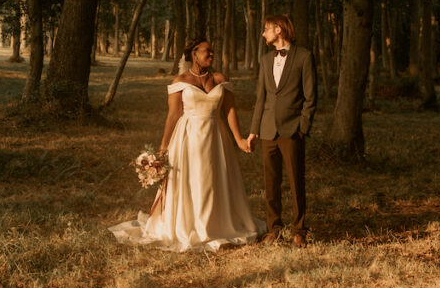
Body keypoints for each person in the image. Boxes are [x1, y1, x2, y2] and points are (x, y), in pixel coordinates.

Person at [109, 38, 265, 252]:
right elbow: (173, 116)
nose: (212, 55)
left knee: (213, 179)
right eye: (207, 52)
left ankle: (214, 224)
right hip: (188, 137)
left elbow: (229, 111)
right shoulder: (179, 81)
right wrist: (162, 150)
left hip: (215, 136)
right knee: (192, 179)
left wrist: (239, 139)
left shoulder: (220, 79)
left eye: (213, 52)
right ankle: (189, 225)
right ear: (194, 54)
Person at [247, 15, 316, 248]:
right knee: (270, 183)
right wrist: (254, 130)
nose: (263, 33)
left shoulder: (304, 56)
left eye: (266, 29)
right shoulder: (265, 60)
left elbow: (310, 97)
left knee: (296, 182)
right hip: (267, 131)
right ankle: (273, 228)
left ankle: (299, 230)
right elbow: (260, 99)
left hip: (292, 130)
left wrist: (302, 128)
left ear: (278, 30)